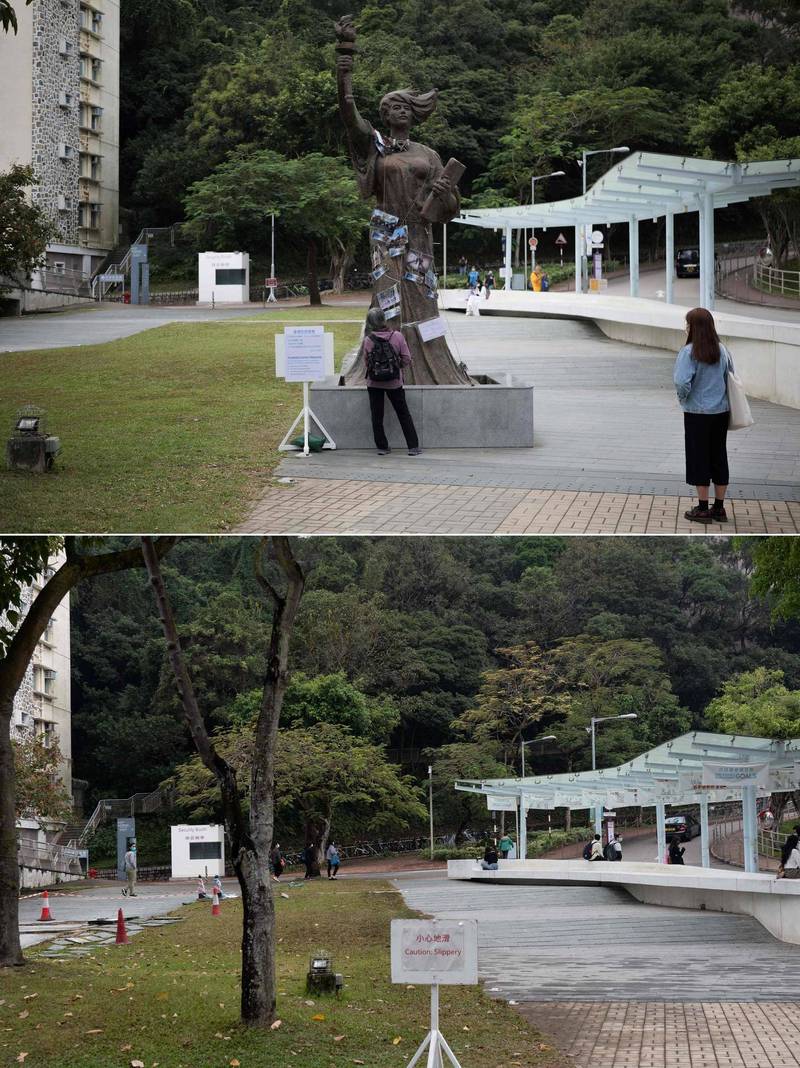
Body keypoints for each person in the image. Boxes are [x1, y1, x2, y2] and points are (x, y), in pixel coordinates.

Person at [335, 17, 470, 386]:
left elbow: (451, 206)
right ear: (385, 114)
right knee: (386, 299)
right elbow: (349, 113)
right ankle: (379, 364)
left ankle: (432, 366)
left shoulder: (428, 153)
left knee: (422, 296)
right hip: (385, 233)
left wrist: (445, 195)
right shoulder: (375, 147)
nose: (402, 110)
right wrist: (344, 60)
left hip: (420, 234)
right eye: (395, 106)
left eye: (407, 106)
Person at [673, 307, 734, 524]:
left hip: (697, 413)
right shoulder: (722, 350)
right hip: (721, 412)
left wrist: (684, 398)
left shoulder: (688, 352)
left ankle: (702, 509)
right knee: (718, 456)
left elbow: (681, 382)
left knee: (699, 457)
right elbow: (732, 377)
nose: (686, 327)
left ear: (693, 327)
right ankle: (719, 508)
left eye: (688, 323)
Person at [362, 306, 421, 457]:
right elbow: (407, 358)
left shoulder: (368, 340)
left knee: (377, 415)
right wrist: (395, 368)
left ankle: (382, 447)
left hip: (374, 383)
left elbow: (367, 363)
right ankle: (413, 447)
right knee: (403, 413)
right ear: (384, 319)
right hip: (394, 382)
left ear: (369, 322)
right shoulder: (397, 336)